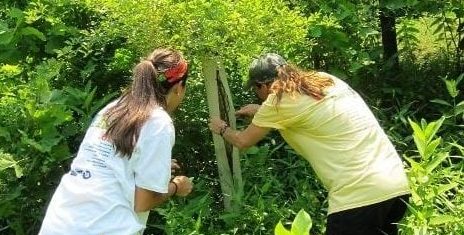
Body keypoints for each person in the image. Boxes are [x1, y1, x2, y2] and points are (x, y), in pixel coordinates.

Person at [208, 53, 410, 235]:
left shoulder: (278, 101)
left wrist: (222, 128)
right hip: (395, 185)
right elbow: (310, 113)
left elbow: (243, 141)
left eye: (255, 88)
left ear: (264, 85)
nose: (257, 93)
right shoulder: (325, 80)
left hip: (358, 196)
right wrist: (261, 111)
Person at [40, 48, 193, 235]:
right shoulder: (158, 121)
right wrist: (176, 186)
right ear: (179, 89)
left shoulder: (114, 108)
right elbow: (143, 201)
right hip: (103, 226)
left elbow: (111, 162)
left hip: (61, 221)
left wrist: (159, 168)